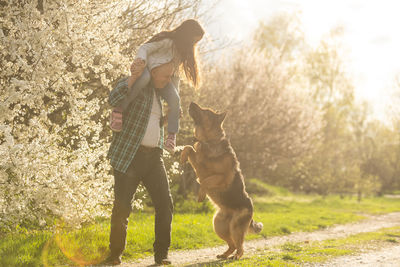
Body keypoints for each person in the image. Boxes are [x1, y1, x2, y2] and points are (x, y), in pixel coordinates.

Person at [104, 62, 177, 266]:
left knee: (165, 204)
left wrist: (166, 120)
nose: (169, 80)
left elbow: (150, 123)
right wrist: (133, 78)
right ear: (153, 72)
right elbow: (114, 98)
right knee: (122, 208)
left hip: (154, 157)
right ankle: (115, 255)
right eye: (166, 76)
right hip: (131, 156)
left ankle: (161, 255)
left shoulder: (158, 95)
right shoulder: (136, 87)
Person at [109, 19, 205, 153]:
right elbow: (144, 48)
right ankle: (119, 110)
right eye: (194, 41)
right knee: (144, 79)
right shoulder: (167, 42)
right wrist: (141, 61)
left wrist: (174, 101)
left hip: (163, 77)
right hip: (147, 68)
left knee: (176, 100)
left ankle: (171, 136)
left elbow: (175, 76)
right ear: (186, 36)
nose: (193, 45)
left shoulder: (181, 54)